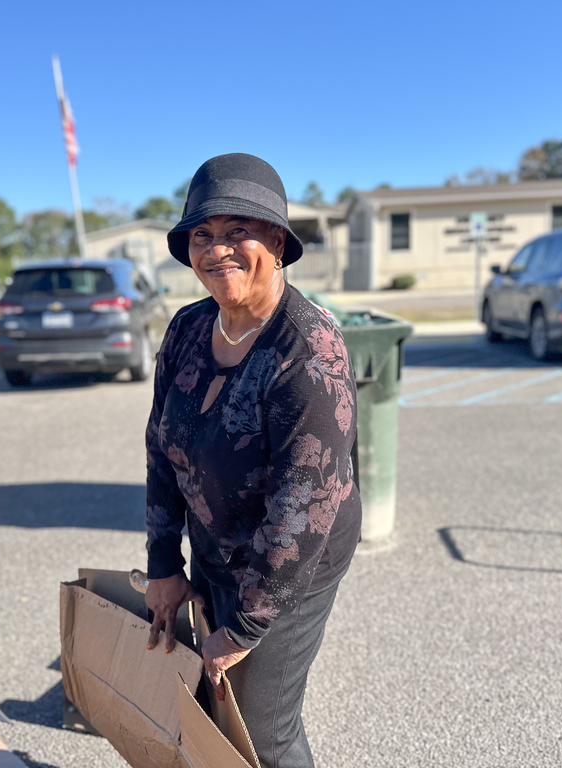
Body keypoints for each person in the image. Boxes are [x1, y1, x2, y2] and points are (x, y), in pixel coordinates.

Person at [143, 153, 362, 768]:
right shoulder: (187, 329)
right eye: (203, 236)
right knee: (213, 710)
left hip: (291, 569)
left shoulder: (308, 349)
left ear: (277, 240)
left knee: (263, 730)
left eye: (238, 231)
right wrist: (164, 563)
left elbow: (304, 505)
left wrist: (242, 628)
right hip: (216, 546)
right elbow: (162, 446)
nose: (218, 251)